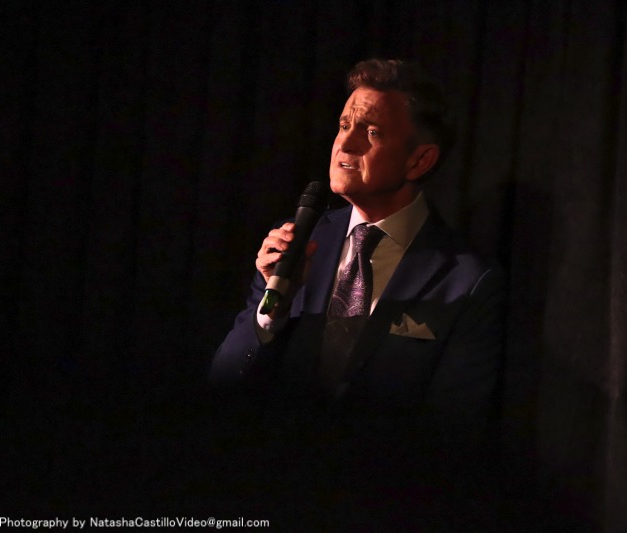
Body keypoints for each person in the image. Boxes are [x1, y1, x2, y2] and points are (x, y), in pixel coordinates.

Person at [209, 59, 506, 527]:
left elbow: (452, 434)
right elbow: (224, 380)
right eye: (344, 125)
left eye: (371, 133)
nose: (344, 145)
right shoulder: (297, 243)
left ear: (420, 160)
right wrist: (272, 303)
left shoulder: (468, 280)